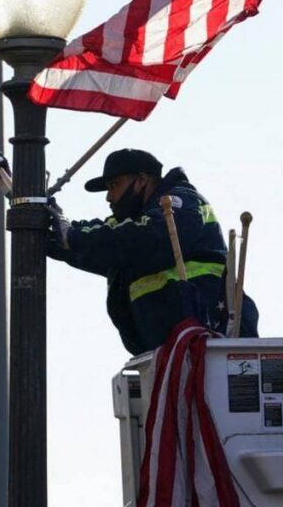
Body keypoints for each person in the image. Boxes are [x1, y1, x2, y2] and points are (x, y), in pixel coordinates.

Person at [47, 148, 258, 354]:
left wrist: (72, 236)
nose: (109, 197)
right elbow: (101, 247)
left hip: (209, 343)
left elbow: (149, 239)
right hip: (167, 353)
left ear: (142, 180)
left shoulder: (181, 202)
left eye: (114, 185)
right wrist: (51, 233)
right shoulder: (133, 225)